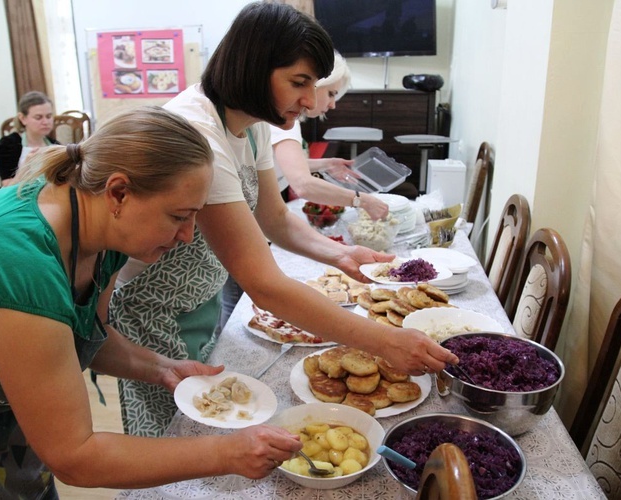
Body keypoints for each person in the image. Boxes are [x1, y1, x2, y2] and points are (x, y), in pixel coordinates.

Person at [110, 2, 458, 439]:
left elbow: (275, 218)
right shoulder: (200, 136)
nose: (310, 101)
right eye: (299, 83)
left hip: (198, 301)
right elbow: (264, 283)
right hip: (155, 314)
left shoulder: (251, 126)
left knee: (208, 421)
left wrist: (343, 254)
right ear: (254, 68)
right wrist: (382, 341)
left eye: (315, 85)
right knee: (174, 440)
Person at [0, 106, 303, 498]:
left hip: (0, 412)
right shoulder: (17, 263)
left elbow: (89, 336)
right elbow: (74, 456)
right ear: (118, 193)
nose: (187, 236)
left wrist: (162, 368)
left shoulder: (101, 234)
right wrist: (227, 453)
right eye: (179, 216)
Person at [271, 51, 389, 220]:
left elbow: (285, 164)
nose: (333, 105)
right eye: (331, 94)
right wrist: (362, 200)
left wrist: (327, 164)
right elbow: (303, 184)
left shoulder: (281, 118)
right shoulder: (286, 122)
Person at [0, 91, 59, 186]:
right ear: (23, 118)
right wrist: (26, 168)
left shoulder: (55, 144)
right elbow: (7, 188)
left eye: (49, 116)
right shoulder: (7, 145)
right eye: (38, 117)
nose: (45, 122)